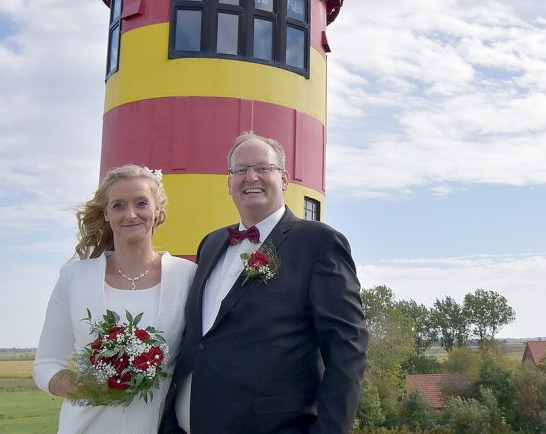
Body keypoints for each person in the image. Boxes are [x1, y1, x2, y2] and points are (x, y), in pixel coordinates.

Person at [161, 132, 368, 433]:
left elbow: (348, 349)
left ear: (283, 179)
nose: (251, 177)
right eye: (241, 170)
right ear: (229, 182)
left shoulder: (319, 243)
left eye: (263, 168)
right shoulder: (211, 243)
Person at [33, 165, 196, 434]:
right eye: (119, 205)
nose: (130, 214)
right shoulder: (74, 277)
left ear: (157, 210)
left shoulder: (187, 276)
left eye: (141, 203)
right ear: (107, 213)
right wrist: (94, 388)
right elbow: (46, 364)